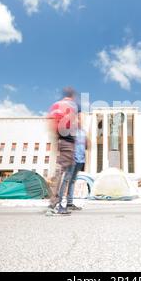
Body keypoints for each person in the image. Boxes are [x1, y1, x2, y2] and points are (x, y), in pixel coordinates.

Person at [46, 87, 79, 216]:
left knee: (63, 173)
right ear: (72, 96)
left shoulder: (57, 105)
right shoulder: (71, 107)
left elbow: (52, 122)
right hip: (68, 141)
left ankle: (56, 203)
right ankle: (54, 205)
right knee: (63, 174)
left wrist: (55, 140)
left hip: (61, 140)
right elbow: (74, 125)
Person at [66, 114, 90, 211]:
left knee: (72, 181)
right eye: (78, 119)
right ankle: (62, 201)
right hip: (72, 159)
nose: (80, 121)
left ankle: (70, 203)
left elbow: (86, 146)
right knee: (67, 180)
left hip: (80, 160)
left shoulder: (83, 132)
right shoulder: (72, 131)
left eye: (81, 119)